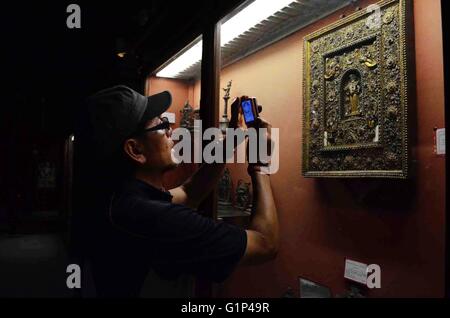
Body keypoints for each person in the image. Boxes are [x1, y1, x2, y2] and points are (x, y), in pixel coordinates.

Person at [75, 85, 278, 297]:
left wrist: (234, 137)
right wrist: (260, 166)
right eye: (162, 125)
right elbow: (266, 244)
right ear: (135, 150)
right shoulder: (155, 219)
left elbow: (189, 193)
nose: (171, 129)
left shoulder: (123, 198)